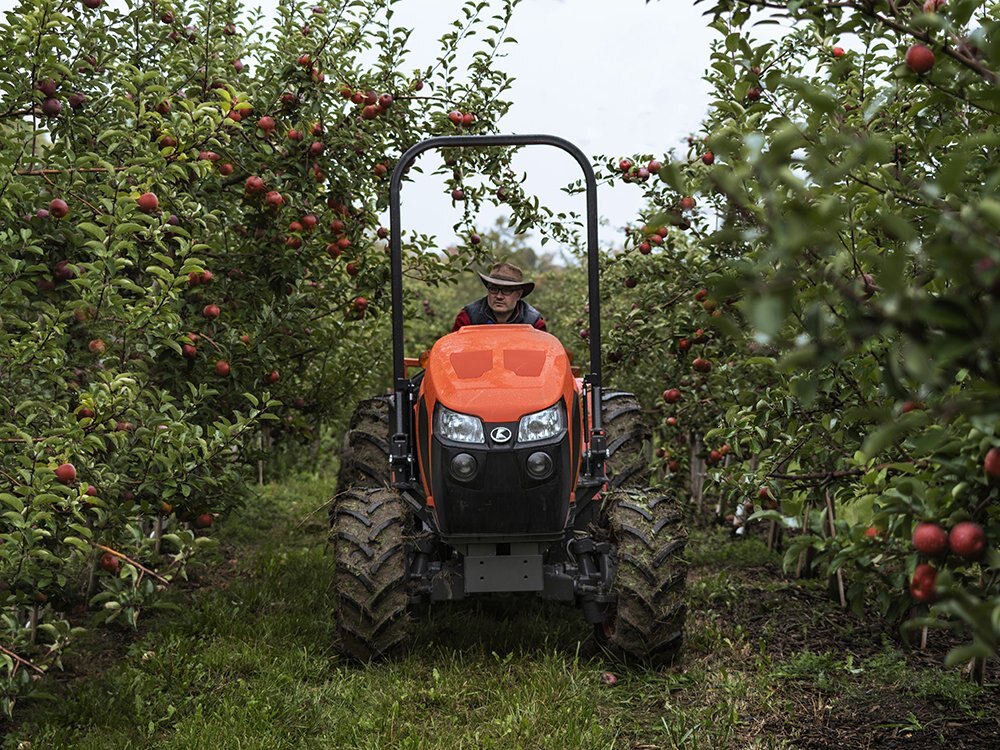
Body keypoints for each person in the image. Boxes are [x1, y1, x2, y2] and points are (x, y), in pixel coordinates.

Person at [451, 262, 547, 332]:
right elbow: (453, 350)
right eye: (493, 289)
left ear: (519, 294)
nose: (499, 296)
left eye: (507, 290)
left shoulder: (534, 322)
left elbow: (544, 355)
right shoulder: (468, 317)